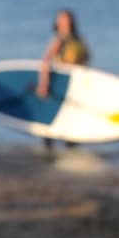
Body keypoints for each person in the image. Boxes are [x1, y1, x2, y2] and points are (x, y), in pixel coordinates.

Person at [36, 9, 90, 151]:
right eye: (61, 20)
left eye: (66, 20)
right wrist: (44, 84)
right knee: (53, 123)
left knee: (73, 122)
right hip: (60, 84)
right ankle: (49, 153)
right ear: (57, 23)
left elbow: (87, 59)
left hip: (76, 85)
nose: (64, 23)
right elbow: (46, 62)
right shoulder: (58, 40)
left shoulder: (79, 39)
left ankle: (70, 152)